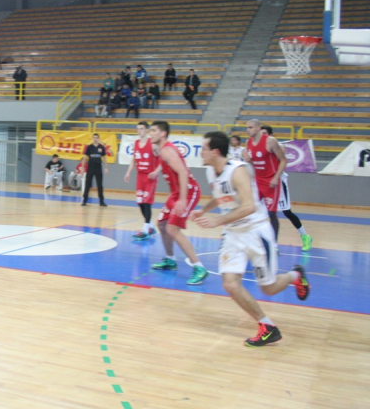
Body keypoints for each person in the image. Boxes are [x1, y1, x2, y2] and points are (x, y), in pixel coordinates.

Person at [192, 131, 310, 346]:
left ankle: (295, 275)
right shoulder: (211, 171)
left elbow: (249, 207)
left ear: (215, 151)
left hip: (255, 232)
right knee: (230, 284)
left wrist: (217, 221)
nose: (201, 153)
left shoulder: (237, 171)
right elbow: (221, 196)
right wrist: (203, 210)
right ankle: (267, 326)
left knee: (269, 288)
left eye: (204, 149)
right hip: (233, 234)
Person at [148, 121, 207, 285]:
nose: (150, 133)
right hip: (176, 193)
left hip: (188, 192)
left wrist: (182, 198)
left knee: (172, 229)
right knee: (162, 224)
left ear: (163, 134)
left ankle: (199, 267)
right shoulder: (163, 150)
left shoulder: (167, 150)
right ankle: (170, 259)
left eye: (153, 130)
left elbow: (182, 172)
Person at [259, 125, 313, 251]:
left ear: (271, 135)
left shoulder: (279, 146)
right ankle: (272, 243)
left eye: (265, 133)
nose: (262, 136)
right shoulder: (258, 147)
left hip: (278, 181)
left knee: (286, 212)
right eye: (261, 133)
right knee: (263, 212)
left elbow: (280, 161)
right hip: (264, 182)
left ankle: (305, 236)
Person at [243, 119, 286, 242]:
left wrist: (276, 177)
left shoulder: (270, 141)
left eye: (250, 127)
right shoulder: (248, 142)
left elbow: (283, 160)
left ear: (258, 128)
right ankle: (252, 239)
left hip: (271, 181)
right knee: (250, 209)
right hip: (257, 180)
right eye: (247, 127)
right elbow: (254, 163)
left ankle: (274, 243)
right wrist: (249, 161)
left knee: (271, 213)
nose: (247, 130)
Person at [124, 121, 160, 240]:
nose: (139, 131)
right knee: (140, 202)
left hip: (150, 177)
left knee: (146, 202)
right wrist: (128, 172)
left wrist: (156, 171)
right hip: (140, 176)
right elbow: (134, 159)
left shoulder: (153, 144)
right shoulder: (136, 144)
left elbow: (162, 160)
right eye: (138, 129)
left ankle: (145, 230)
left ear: (146, 130)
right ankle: (150, 226)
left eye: (141, 128)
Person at [81, 133, 109, 207]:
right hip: (90, 167)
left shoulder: (101, 147)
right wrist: (82, 168)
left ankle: (101, 202)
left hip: (98, 167)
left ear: (99, 139)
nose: (95, 139)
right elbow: (85, 158)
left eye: (96, 138)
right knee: (87, 184)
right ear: (92, 139)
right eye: (94, 138)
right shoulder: (89, 147)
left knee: (99, 185)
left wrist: (106, 168)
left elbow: (104, 158)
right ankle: (84, 201)